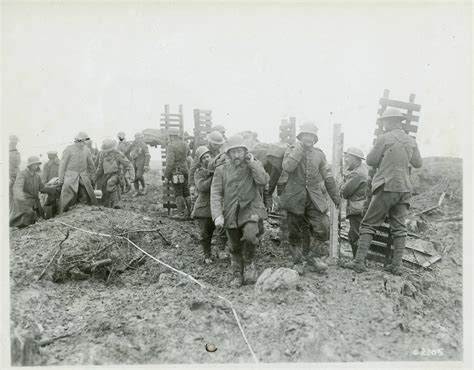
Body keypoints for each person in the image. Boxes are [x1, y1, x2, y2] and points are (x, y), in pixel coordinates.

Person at [344, 108, 422, 275]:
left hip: (386, 186)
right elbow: (418, 163)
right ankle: (396, 266)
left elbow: (371, 160)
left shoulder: (384, 138)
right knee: (400, 228)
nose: (384, 125)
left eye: (385, 122)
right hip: (404, 189)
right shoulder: (410, 141)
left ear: (389, 122)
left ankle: (358, 262)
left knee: (368, 224)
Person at [280, 122, 341, 275]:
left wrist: (336, 197)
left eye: (312, 136)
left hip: (314, 198)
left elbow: (328, 177)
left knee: (323, 227)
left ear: (315, 138)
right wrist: (298, 150)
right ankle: (298, 261)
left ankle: (313, 257)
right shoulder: (292, 150)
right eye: (306, 135)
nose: (309, 139)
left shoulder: (319, 154)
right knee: (295, 232)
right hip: (294, 197)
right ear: (301, 137)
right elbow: (287, 167)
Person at [211, 135, 270, 287]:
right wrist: (217, 215)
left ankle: (249, 265)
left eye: (240, 151)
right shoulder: (221, 169)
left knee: (250, 236)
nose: (237, 155)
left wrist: (252, 163)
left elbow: (263, 180)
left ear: (245, 152)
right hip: (230, 211)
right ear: (228, 154)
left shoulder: (252, 165)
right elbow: (216, 193)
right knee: (234, 245)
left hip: (250, 209)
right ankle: (237, 273)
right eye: (233, 152)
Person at [10, 156, 57, 228]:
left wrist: (54, 188)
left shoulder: (37, 176)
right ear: (29, 165)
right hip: (25, 203)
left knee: (40, 220)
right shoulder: (22, 174)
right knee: (25, 222)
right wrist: (24, 204)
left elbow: (42, 188)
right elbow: (17, 189)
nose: (36, 166)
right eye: (34, 164)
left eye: (37, 164)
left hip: (36, 203)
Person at [58, 132, 98, 213]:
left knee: (87, 195)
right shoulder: (68, 149)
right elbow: (62, 166)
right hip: (70, 176)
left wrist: (93, 177)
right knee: (67, 197)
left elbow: (91, 165)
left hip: (83, 176)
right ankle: (63, 213)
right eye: (81, 141)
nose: (83, 143)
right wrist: (61, 180)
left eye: (84, 141)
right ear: (76, 140)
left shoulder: (86, 150)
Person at [340, 147, 368, 258]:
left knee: (354, 236)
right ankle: (359, 260)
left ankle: (358, 261)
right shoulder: (362, 170)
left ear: (356, 159)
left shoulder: (356, 174)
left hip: (357, 208)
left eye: (348, 157)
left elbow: (345, 192)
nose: (346, 160)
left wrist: (341, 183)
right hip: (362, 207)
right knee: (357, 235)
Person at [192, 146, 218, 264]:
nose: (207, 159)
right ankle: (207, 255)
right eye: (203, 158)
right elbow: (202, 186)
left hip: (217, 207)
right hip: (204, 208)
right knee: (205, 234)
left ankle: (221, 250)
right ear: (200, 161)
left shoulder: (218, 170)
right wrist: (212, 176)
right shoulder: (199, 173)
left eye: (208, 156)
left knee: (222, 231)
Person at [96, 138, 135, 209]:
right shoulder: (102, 154)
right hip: (106, 175)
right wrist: (95, 177)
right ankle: (107, 206)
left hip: (117, 175)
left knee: (110, 183)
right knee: (103, 190)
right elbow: (100, 168)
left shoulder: (118, 154)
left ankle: (116, 204)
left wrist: (132, 177)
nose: (107, 152)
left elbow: (129, 165)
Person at [164, 128, 192, 219]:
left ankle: (181, 214)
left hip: (176, 172)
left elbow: (170, 162)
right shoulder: (185, 144)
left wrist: (167, 175)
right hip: (185, 170)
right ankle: (190, 213)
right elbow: (188, 154)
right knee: (186, 191)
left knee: (178, 192)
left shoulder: (171, 146)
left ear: (171, 136)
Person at [9, 135, 21, 209]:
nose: (15, 143)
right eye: (13, 141)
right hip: (10, 175)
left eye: (16, 142)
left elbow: (17, 163)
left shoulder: (15, 151)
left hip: (15, 174)